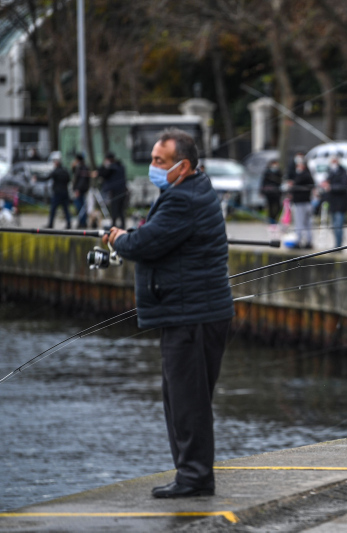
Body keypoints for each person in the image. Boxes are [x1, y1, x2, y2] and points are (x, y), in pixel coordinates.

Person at [104, 129, 234, 498]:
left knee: (187, 402)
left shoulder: (183, 200)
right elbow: (158, 237)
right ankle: (190, 473)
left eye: (160, 161)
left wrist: (119, 239)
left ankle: (194, 478)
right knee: (181, 399)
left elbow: (146, 243)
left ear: (184, 166)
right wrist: (129, 237)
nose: (153, 167)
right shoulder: (190, 190)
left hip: (191, 316)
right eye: (153, 159)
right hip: (192, 312)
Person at [322, 156, 347, 248]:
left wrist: (331, 187)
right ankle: (336, 245)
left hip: (341, 204)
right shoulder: (330, 172)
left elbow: (344, 186)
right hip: (332, 204)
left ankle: (339, 246)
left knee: (338, 226)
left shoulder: (343, 172)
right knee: (334, 226)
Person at [97, 152, 128, 228]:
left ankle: (113, 225)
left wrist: (104, 165)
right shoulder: (120, 166)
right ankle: (122, 225)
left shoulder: (111, 168)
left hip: (115, 191)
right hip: (123, 190)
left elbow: (102, 173)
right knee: (121, 210)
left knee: (114, 209)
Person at [288, 160, 314, 249]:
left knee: (300, 223)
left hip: (301, 203)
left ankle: (298, 241)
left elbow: (297, 185)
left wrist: (293, 185)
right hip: (306, 202)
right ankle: (308, 241)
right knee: (307, 223)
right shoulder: (307, 175)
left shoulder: (303, 175)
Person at [46, 157, 72, 229]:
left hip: (57, 193)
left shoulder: (55, 171)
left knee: (53, 209)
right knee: (66, 210)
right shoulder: (65, 171)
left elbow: (48, 177)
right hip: (64, 192)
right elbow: (69, 179)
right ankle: (69, 224)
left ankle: (50, 224)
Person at [260, 159, 283, 224]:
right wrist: (262, 191)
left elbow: (280, 181)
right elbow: (263, 182)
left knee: (278, 207)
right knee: (270, 207)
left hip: (277, 192)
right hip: (269, 193)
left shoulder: (279, 172)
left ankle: (274, 218)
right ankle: (271, 220)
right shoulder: (267, 172)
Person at [71, 154, 91, 229]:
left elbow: (81, 180)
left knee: (80, 206)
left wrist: (78, 189)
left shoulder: (82, 168)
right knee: (81, 206)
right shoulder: (81, 167)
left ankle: (82, 222)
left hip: (80, 190)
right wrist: (73, 167)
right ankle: (82, 222)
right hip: (81, 189)